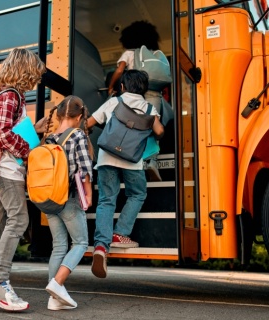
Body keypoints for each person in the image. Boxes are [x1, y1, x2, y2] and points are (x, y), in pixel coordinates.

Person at [0, 48, 46, 311]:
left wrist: (33, 130)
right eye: (35, 73)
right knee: (19, 219)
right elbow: (0, 133)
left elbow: (7, 130)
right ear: (25, 70)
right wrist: (28, 149)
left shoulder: (6, 96)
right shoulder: (11, 96)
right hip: (6, 171)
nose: (36, 79)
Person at [87, 70, 164, 279]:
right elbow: (159, 131)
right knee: (137, 194)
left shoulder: (114, 102)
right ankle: (120, 234)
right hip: (132, 161)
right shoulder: (149, 107)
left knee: (106, 200)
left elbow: (89, 123)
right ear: (144, 89)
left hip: (106, 159)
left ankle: (101, 247)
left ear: (122, 87)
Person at [42, 95, 94, 311]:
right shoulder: (78, 136)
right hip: (69, 197)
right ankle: (57, 283)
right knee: (81, 243)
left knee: (59, 246)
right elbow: (84, 170)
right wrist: (88, 196)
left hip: (49, 199)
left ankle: (54, 300)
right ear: (80, 116)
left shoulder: (49, 138)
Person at [107, 20, 169, 181]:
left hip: (134, 95)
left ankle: (132, 161)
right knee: (153, 125)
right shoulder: (155, 55)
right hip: (154, 93)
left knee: (133, 127)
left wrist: (111, 86)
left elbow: (119, 70)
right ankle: (152, 161)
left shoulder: (129, 53)